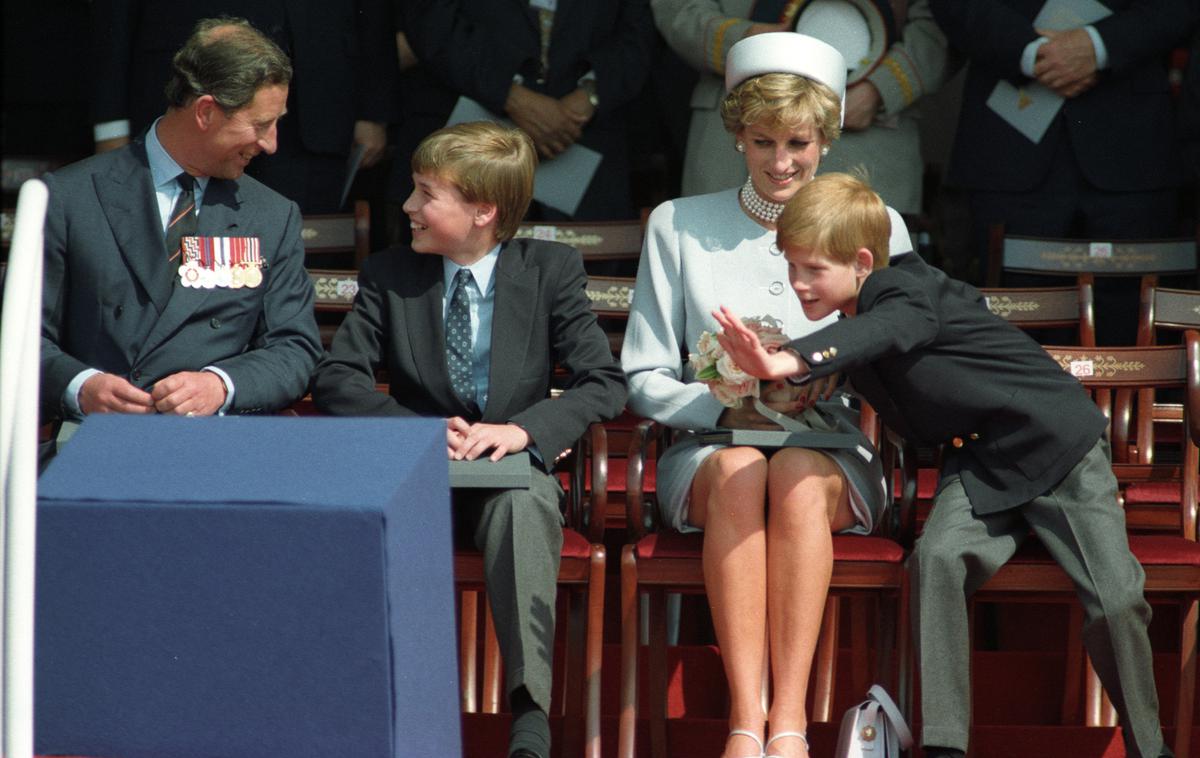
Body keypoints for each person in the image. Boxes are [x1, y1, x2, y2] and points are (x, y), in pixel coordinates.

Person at [712, 172, 1172, 758]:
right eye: (792, 267)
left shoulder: (902, 290)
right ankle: (945, 747)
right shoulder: (855, 321)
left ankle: (1150, 749)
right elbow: (871, 350)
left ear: (860, 261)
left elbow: (895, 327)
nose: (798, 283)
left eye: (813, 269)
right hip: (979, 462)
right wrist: (800, 380)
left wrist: (794, 358)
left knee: (1115, 598)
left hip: (1056, 449)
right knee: (936, 561)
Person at [621, 32, 914, 758]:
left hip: (833, 448)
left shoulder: (880, 224)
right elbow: (644, 374)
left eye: (799, 142)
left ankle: (790, 720)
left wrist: (824, 375)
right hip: (709, 448)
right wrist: (725, 401)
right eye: (762, 142)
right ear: (736, 138)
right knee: (744, 468)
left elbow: (907, 348)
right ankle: (745, 723)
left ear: (827, 139)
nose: (782, 163)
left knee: (793, 477)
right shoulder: (678, 224)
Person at [311, 121, 627, 758]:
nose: (409, 207)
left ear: (484, 211)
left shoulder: (549, 270)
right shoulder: (389, 273)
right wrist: (420, 433)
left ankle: (529, 720)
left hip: (506, 471)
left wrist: (523, 430)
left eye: (427, 194)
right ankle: (364, 717)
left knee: (522, 507)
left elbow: (603, 383)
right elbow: (338, 379)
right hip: (415, 470)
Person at [41, 18, 322, 438]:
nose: (271, 144)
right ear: (206, 111)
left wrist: (219, 385)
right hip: (94, 442)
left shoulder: (271, 215)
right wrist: (80, 388)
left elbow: (294, 348)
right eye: (260, 124)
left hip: (217, 447)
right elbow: (23, 337)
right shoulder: (69, 197)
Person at [929, 0, 1193, 322]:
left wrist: (1099, 46)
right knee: (1012, 327)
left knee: (1130, 326)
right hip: (1009, 145)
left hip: (1132, 148)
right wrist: (1029, 50)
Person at [385, 0, 656, 246]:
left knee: (587, 283)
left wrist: (587, 96)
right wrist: (511, 95)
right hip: (467, 128)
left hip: (584, 140)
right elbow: (430, 21)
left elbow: (639, 30)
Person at [89, 0, 400, 214]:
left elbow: (375, 13)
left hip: (316, 111)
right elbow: (114, 19)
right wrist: (111, 124)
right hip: (194, 102)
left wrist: (374, 110)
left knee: (302, 256)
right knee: (182, 252)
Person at [651, 0, 949, 215]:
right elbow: (677, 7)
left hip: (866, 128)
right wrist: (748, 44)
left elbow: (941, 22)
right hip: (734, 124)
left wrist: (881, 89)